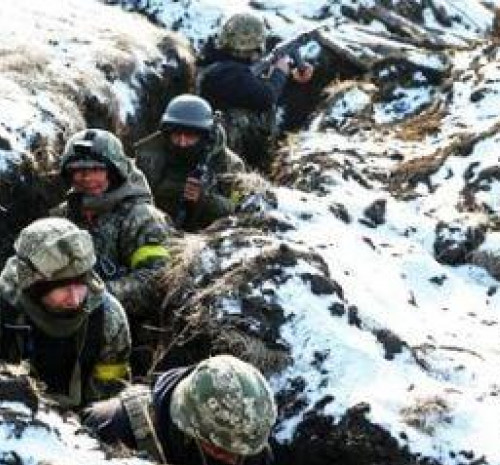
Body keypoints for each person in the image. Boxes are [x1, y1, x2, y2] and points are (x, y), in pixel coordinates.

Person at [0, 218, 131, 408]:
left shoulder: (109, 319)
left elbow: (109, 398)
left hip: (81, 420)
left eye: (81, 284)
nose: (75, 299)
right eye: (62, 288)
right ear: (33, 287)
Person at [82, 354, 281, 465]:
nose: (233, 459)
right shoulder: (113, 425)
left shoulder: (246, 443)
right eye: (220, 449)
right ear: (187, 424)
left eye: (241, 451)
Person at [53, 129, 171, 319]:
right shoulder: (61, 217)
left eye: (96, 170)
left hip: (127, 323)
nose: (87, 178)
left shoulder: (142, 218)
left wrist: (94, 295)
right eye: (78, 171)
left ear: (115, 172)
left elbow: (158, 280)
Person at [196, 12, 314, 168]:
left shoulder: (218, 62)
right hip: (221, 150)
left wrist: (290, 74)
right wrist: (280, 72)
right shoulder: (228, 73)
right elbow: (266, 97)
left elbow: (250, 82)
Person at [135, 94, 246, 231]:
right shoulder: (149, 155)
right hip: (154, 228)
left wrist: (206, 199)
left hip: (209, 234)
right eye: (177, 135)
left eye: (190, 136)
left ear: (204, 136)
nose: (182, 142)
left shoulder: (231, 165)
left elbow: (240, 210)